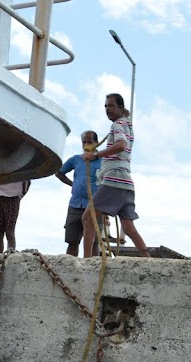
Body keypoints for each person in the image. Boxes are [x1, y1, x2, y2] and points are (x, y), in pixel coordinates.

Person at [81, 94, 150, 258]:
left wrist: (95, 155)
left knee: (87, 218)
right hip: (126, 183)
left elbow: (120, 145)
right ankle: (148, 259)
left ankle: (86, 262)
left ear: (120, 107)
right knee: (128, 226)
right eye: (105, 106)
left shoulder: (118, 125)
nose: (107, 110)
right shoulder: (127, 125)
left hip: (114, 180)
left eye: (111, 106)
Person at [55, 130, 103, 256]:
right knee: (72, 241)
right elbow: (59, 173)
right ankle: (70, 268)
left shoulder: (103, 161)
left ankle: (94, 269)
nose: (86, 144)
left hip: (95, 205)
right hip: (75, 204)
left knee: (95, 242)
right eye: (84, 142)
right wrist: (73, 184)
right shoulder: (76, 159)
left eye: (90, 142)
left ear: (97, 143)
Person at [0, 180, 30, 253]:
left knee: (9, 230)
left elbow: (27, 182)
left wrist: (19, 195)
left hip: (13, 196)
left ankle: (11, 253)